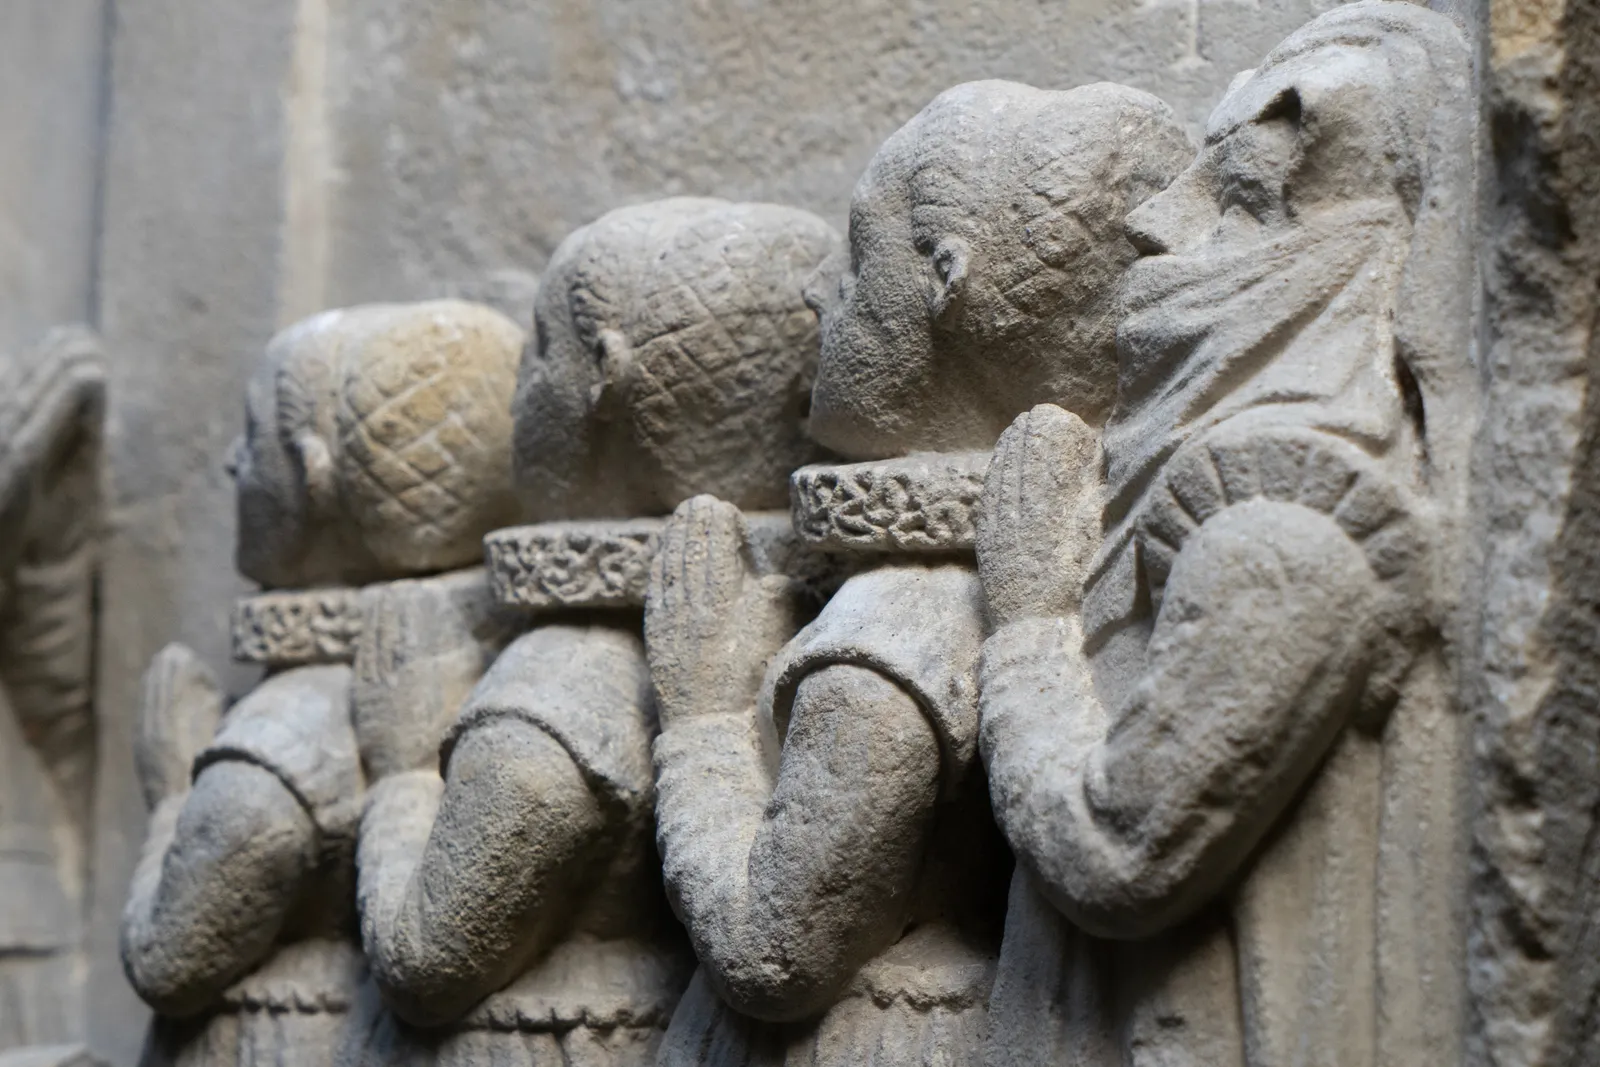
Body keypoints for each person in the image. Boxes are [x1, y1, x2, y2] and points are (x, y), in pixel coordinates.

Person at [642, 82, 1192, 1067]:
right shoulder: (1072, 543)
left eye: (858, 253)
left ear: (947, 279)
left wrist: (698, 719)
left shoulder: (901, 621)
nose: (820, 290)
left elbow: (775, 950)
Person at [974, 4, 1478, 1063]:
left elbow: (1121, 844)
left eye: (1228, 198)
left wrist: (1024, 623)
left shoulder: (1283, 535)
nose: (1159, 228)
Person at [350, 198, 841, 1067]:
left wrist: (396, 768)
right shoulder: (798, 612)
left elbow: (427, 958)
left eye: (541, 350)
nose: (518, 392)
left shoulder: (557, 687)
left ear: (602, 378)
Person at [122, 300, 524, 1067]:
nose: (233, 463)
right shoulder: (483, 660)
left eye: (253, 436)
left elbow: (166, 959)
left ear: (312, 477)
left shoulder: (283, 733)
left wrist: (173, 790)